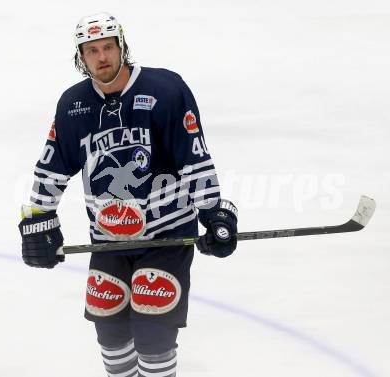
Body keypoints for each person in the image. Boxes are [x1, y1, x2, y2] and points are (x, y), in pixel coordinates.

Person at [18, 12, 238, 377]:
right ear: (80, 56)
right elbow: (53, 164)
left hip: (165, 236)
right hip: (108, 239)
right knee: (111, 333)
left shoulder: (166, 90)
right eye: (91, 51)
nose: (101, 57)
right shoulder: (74, 104)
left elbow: (193, 155)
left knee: (153, 332)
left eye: (107, 47)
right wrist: (39, 217)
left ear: (122, 46)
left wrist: (214, 211)